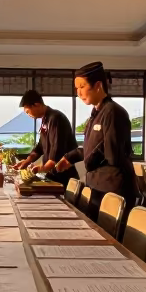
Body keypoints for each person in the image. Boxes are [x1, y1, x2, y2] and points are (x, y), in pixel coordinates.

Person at [54, 62, 137, 215]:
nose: (78, 93)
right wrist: (68, 158)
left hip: (112, 187)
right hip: (96, 184)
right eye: (76, 88)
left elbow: (113, 155)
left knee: (106, 237)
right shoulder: (96, 114)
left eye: (82, 86)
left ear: (98, 85)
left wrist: (89, 159)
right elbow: (90, 147)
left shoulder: (113, 112)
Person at [12, 90, 80, 188]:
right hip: (52, 175)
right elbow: (40, 147)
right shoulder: (45, 120)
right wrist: (27, 161)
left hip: (62, 175)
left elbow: (57, 150)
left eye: (27, 111)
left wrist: (43, 168)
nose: (28, 115)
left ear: (36, 105)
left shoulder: (56, 118)